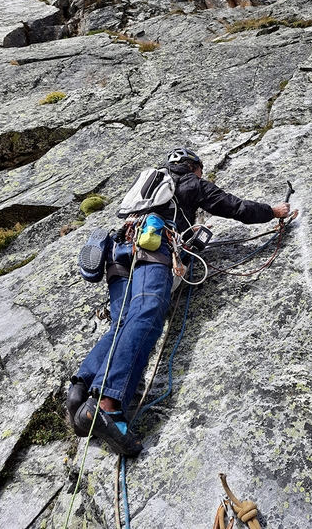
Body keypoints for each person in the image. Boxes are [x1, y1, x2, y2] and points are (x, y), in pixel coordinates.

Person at [67, 147, 290, 456]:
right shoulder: (190, 183)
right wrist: (274, 212)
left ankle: (80, 392)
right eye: (200, 169)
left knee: (122, 322)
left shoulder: (148, 188)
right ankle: (108, 406)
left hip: (119, 256)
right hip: (152, 252)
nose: (201, 174)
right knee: (148, 314)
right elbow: (235, 207)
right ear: (192, 167)